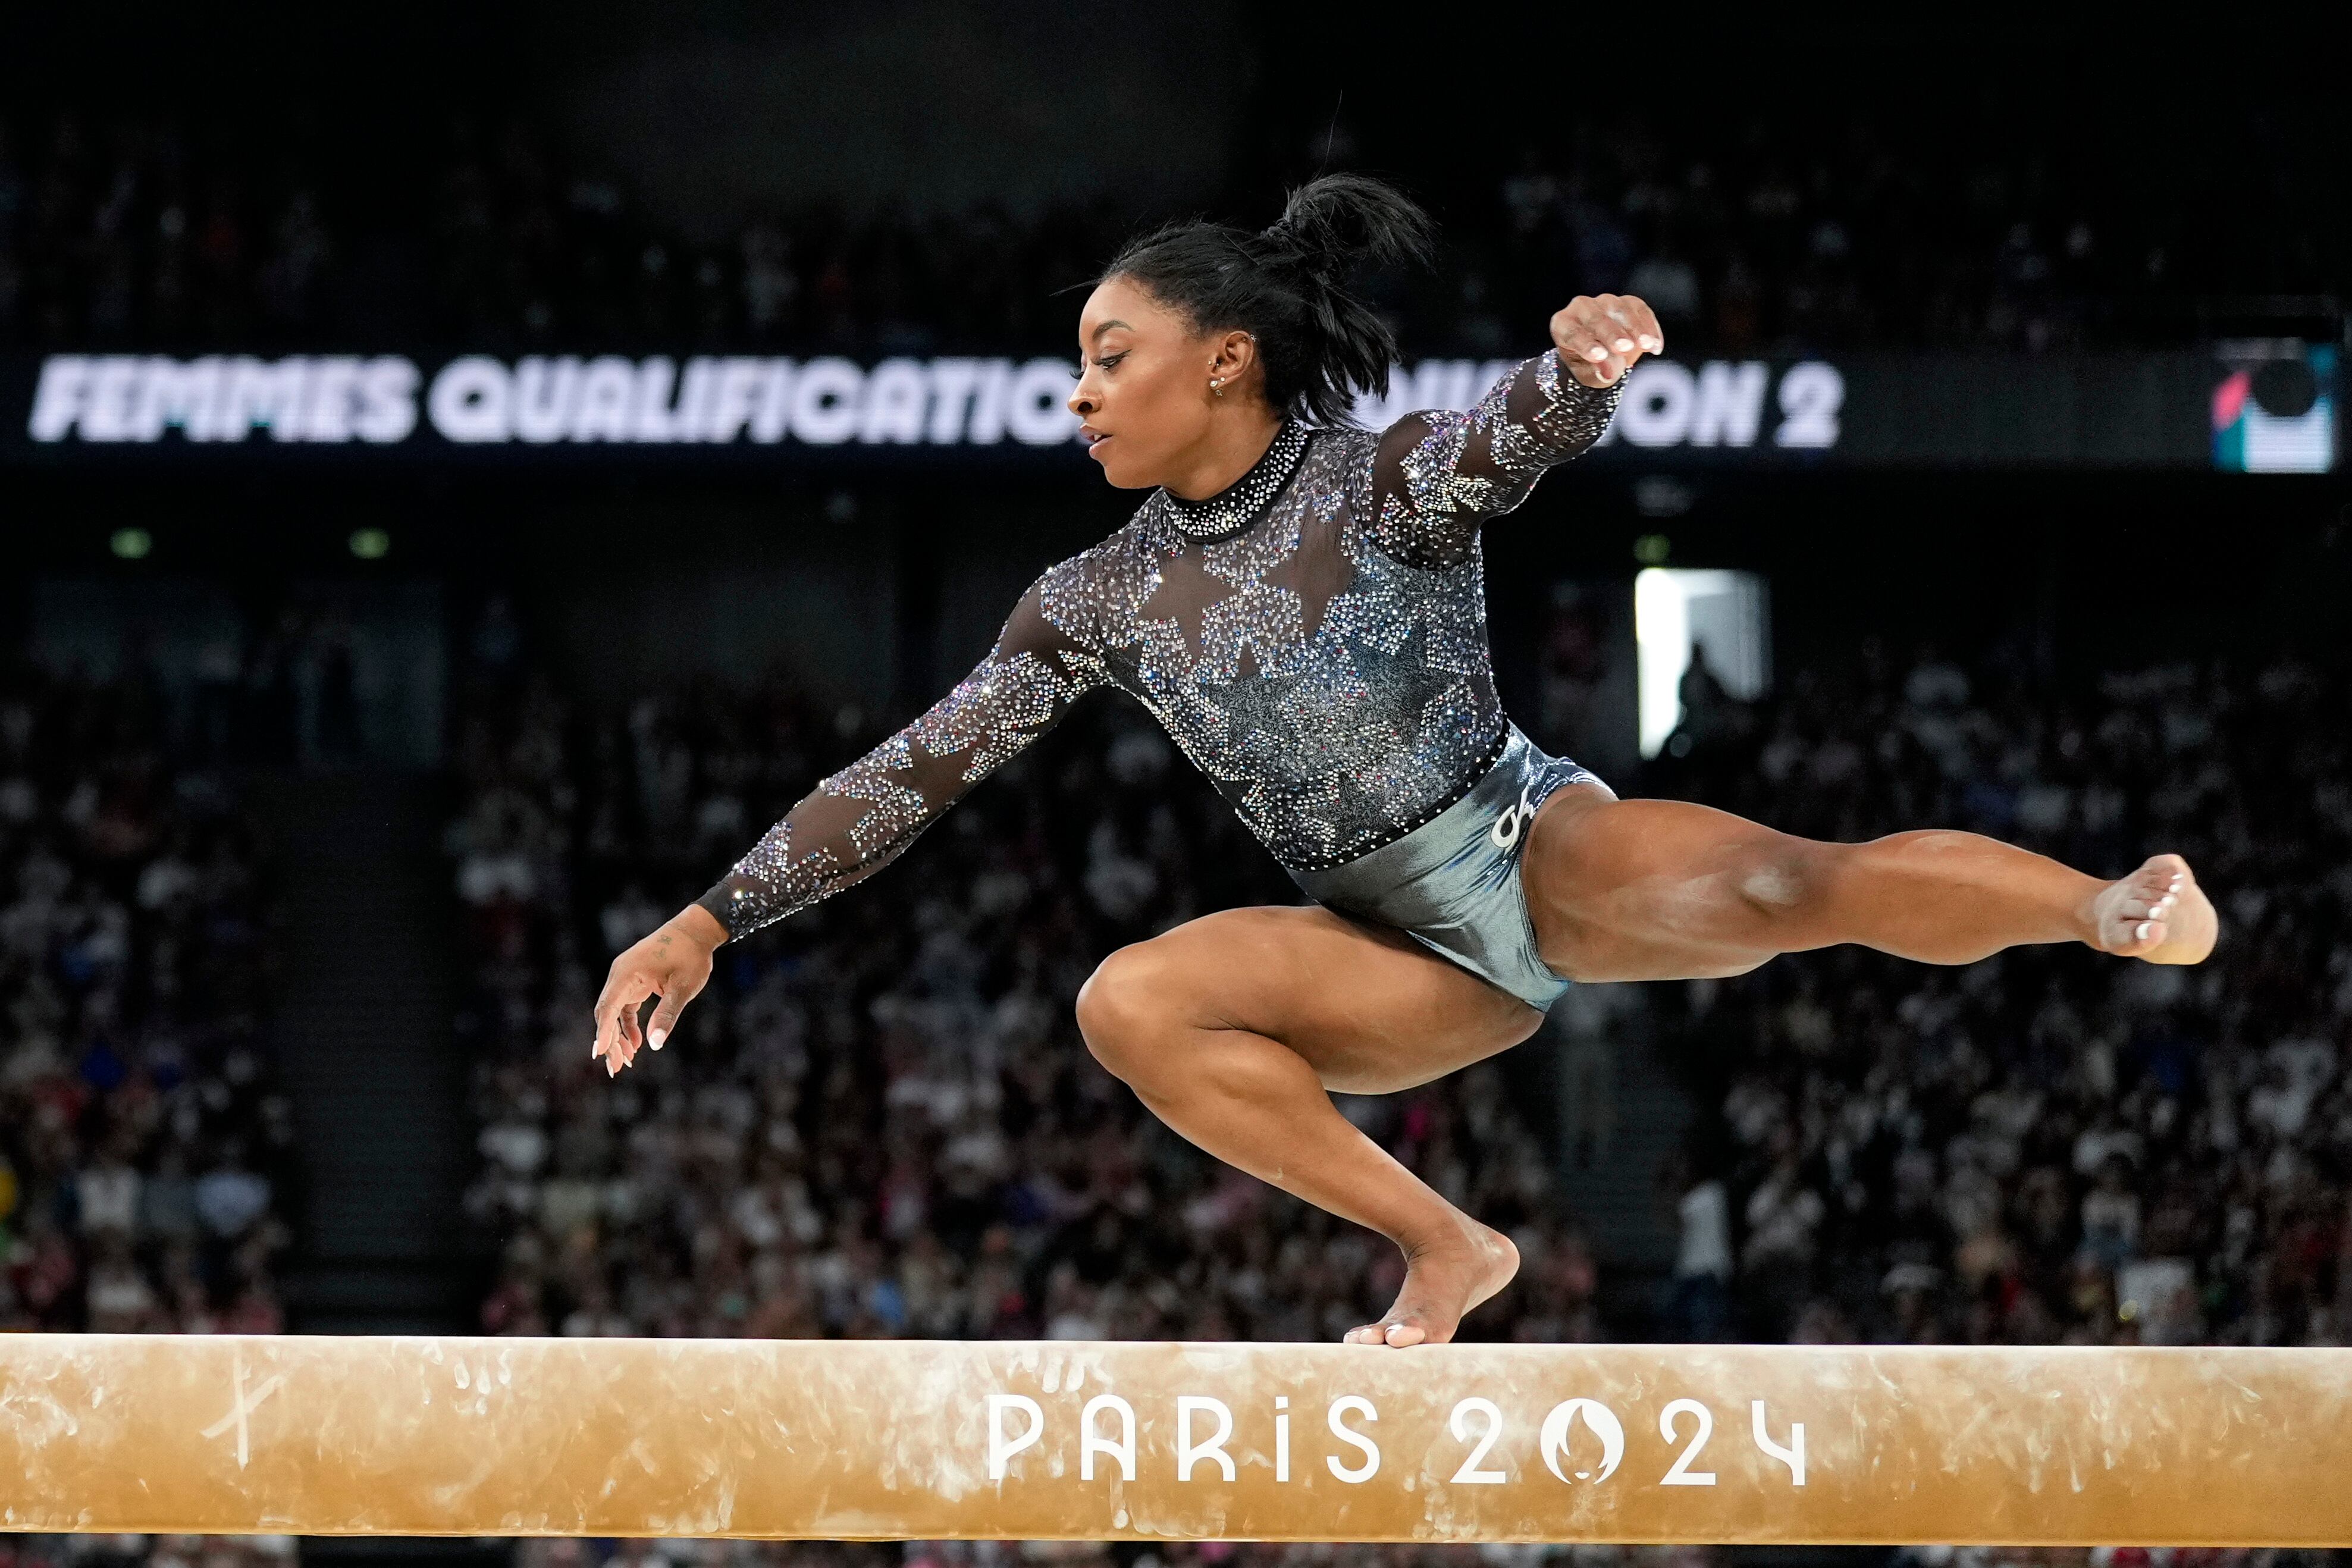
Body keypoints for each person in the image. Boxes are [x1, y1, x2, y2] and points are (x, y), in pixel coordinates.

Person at [592, 175, 2217, 1348]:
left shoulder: (1375, 484)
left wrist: (1569, 376)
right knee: (1126, 1000)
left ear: (1224, 357)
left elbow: (1497, 442)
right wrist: (708, 919)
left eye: (1111, 353)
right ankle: (1445, 1245)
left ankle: (2101, 909)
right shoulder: (1094, 598)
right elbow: (911, 770)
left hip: (1522, 844)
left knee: (1792, 883)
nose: (1078, 390)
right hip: (1381, 952)